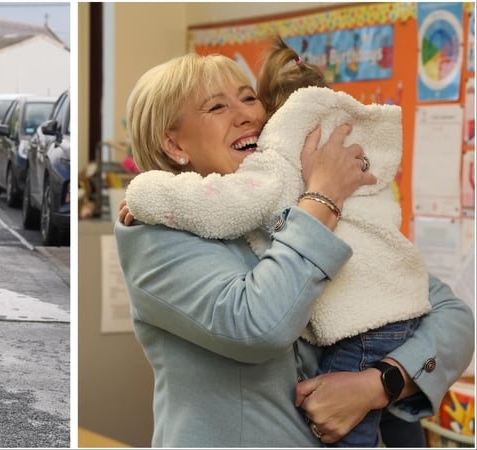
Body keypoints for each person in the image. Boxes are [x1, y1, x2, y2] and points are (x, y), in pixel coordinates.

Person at [114, 51, 475, 447]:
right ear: (173, 143)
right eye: (217, 106)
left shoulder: (293, 204)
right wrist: (323, 197)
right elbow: (258, 325)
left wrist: (378, 384)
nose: (247, 115)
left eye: (249, 98)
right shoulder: (155, 235)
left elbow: (451, 316)